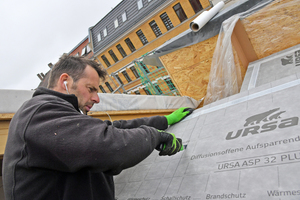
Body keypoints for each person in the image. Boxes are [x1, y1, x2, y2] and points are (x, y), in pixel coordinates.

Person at [2, 55, 193, 200]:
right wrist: (155, 136)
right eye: (91, 89)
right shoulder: (40, 112)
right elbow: (109, 145)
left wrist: (164, 121)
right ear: (65, 81)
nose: (97, 98)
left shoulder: (56, 113)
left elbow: (112, 128)